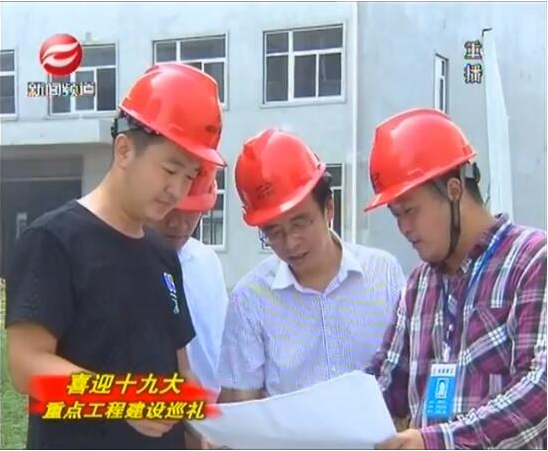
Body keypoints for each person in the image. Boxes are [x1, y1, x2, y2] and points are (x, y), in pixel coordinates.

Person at [5, 62, 226, 449]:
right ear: (124, 150)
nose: (177, 190)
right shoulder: (54, 240)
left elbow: (180, 369)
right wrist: (121, 398)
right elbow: (27, 365)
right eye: (170, 169)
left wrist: (197, 427)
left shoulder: (162, 253)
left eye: (190, 176)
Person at [364, 108, 546, 449]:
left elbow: (540, 390)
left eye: (410, 210)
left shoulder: (532, 261)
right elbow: (386, 385)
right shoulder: (417, 287)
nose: (404, 228)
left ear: (453, 189)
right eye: (395, 215)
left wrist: (437, 442)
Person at [218, 128, 405, 402]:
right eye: (274, 232)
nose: (290, 242)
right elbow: (241, 404)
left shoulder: (383, 274)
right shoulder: (250, 299)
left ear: (329, 207)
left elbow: (411, 376)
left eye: (300, 223)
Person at [153, 164, 229, 399]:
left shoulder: (206, 261)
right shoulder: (124, 265)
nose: (178, 223)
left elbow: (219, 343)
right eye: (171, 209)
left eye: (190, 212)